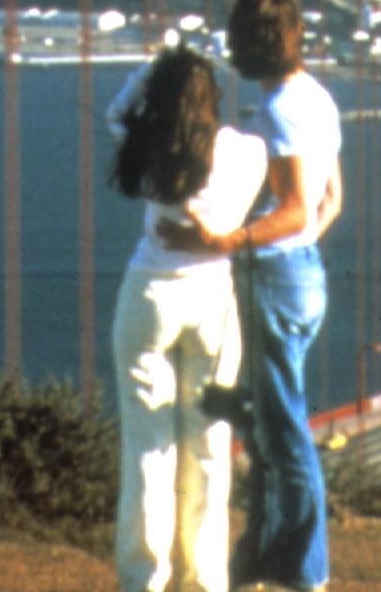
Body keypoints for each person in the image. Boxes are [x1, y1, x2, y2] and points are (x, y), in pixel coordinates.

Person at [161, 0, 343, 592]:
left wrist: (227, 241)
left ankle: (305, 575)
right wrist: (299, 237)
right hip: (305, 274)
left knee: (285, 437)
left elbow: (292, 207)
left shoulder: (278, 111)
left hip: (276, 276)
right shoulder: (315, 96)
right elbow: (329, 200)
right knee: (267, 429)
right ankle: (257, 565)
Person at [108, 42, 269, 592]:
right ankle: (205, 582)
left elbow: (115, 113)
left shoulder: (151, 151)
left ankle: (144, 579)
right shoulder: (248, 153)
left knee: (146, 447)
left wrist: (149, 69)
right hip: (212, 302)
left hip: (149, 293)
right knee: (207, 448)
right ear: (214, 99)